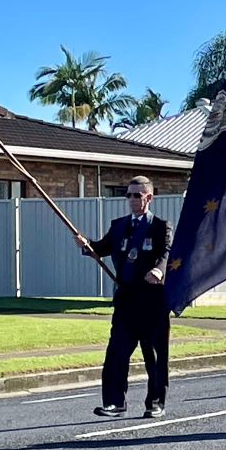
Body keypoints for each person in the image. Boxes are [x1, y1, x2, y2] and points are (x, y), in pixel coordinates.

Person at [75, 176, 173, 419]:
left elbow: (168, 253)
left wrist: (159, 270)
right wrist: (86, 244)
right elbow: (101, 248)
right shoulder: (118, 226)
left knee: (154, 355)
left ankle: (155, 402)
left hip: (152, 301)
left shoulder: (161, 227)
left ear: (148, 197)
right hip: (126, 300)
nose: (131, 199)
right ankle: (114, 402)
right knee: (116, 352)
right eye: (128, 195)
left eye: (137, 195)